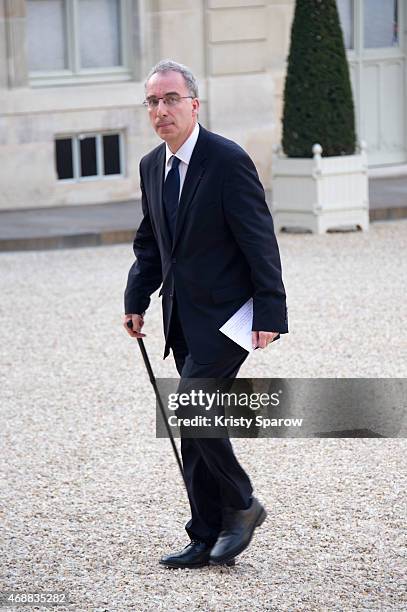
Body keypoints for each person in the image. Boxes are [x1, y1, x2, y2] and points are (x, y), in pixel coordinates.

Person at [124, 59, 288, 569]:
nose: (161, 109)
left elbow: (260, 238)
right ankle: (205, 533)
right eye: (153, 101)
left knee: (192, 408)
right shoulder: (153, 165)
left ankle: (242, 504)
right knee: (196, 421)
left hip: (231, 315)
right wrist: (136, 299)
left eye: (171, 99)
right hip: (181, 317)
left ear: (195, 104)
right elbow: (152, 243)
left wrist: (271, 309)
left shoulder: (226, 159)